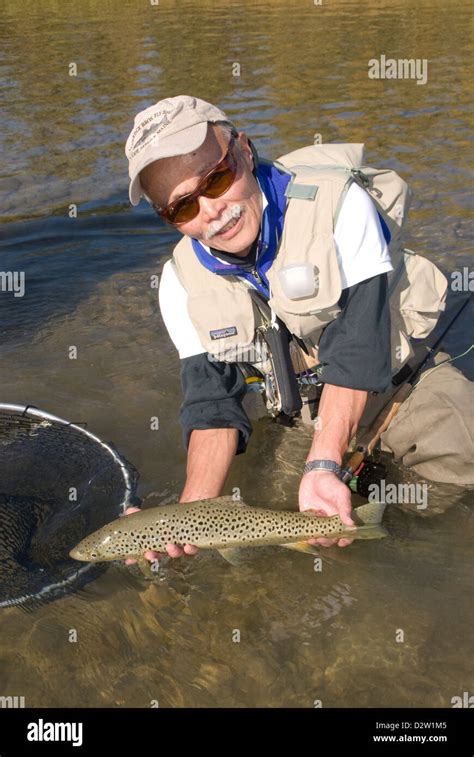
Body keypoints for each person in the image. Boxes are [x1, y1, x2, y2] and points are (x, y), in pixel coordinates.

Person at [123, 95, 473, 561]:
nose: (210, 210)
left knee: (461, 462)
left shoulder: (339, 206)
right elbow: (212, 404)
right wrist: (190, 513)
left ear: (245, 151)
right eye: (181, 207)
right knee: (293, 521)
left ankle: (395, 520)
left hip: (400, 376)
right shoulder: (178, 282)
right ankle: (364, 503)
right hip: (308, 404)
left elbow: (359, 348)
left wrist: (324, 463)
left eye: (217, 179)